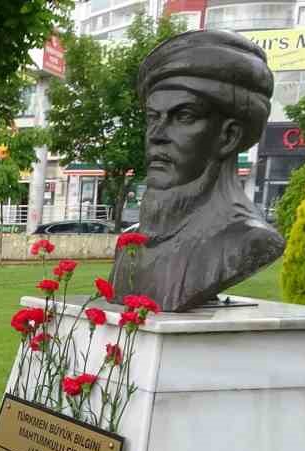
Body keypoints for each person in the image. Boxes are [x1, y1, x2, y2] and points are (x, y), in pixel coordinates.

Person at [108, 30, 285, 312]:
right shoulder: (130, 244)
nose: (156, 134)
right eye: (153, 117)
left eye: (183, 116)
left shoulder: (247, 240)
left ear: (228, 136)